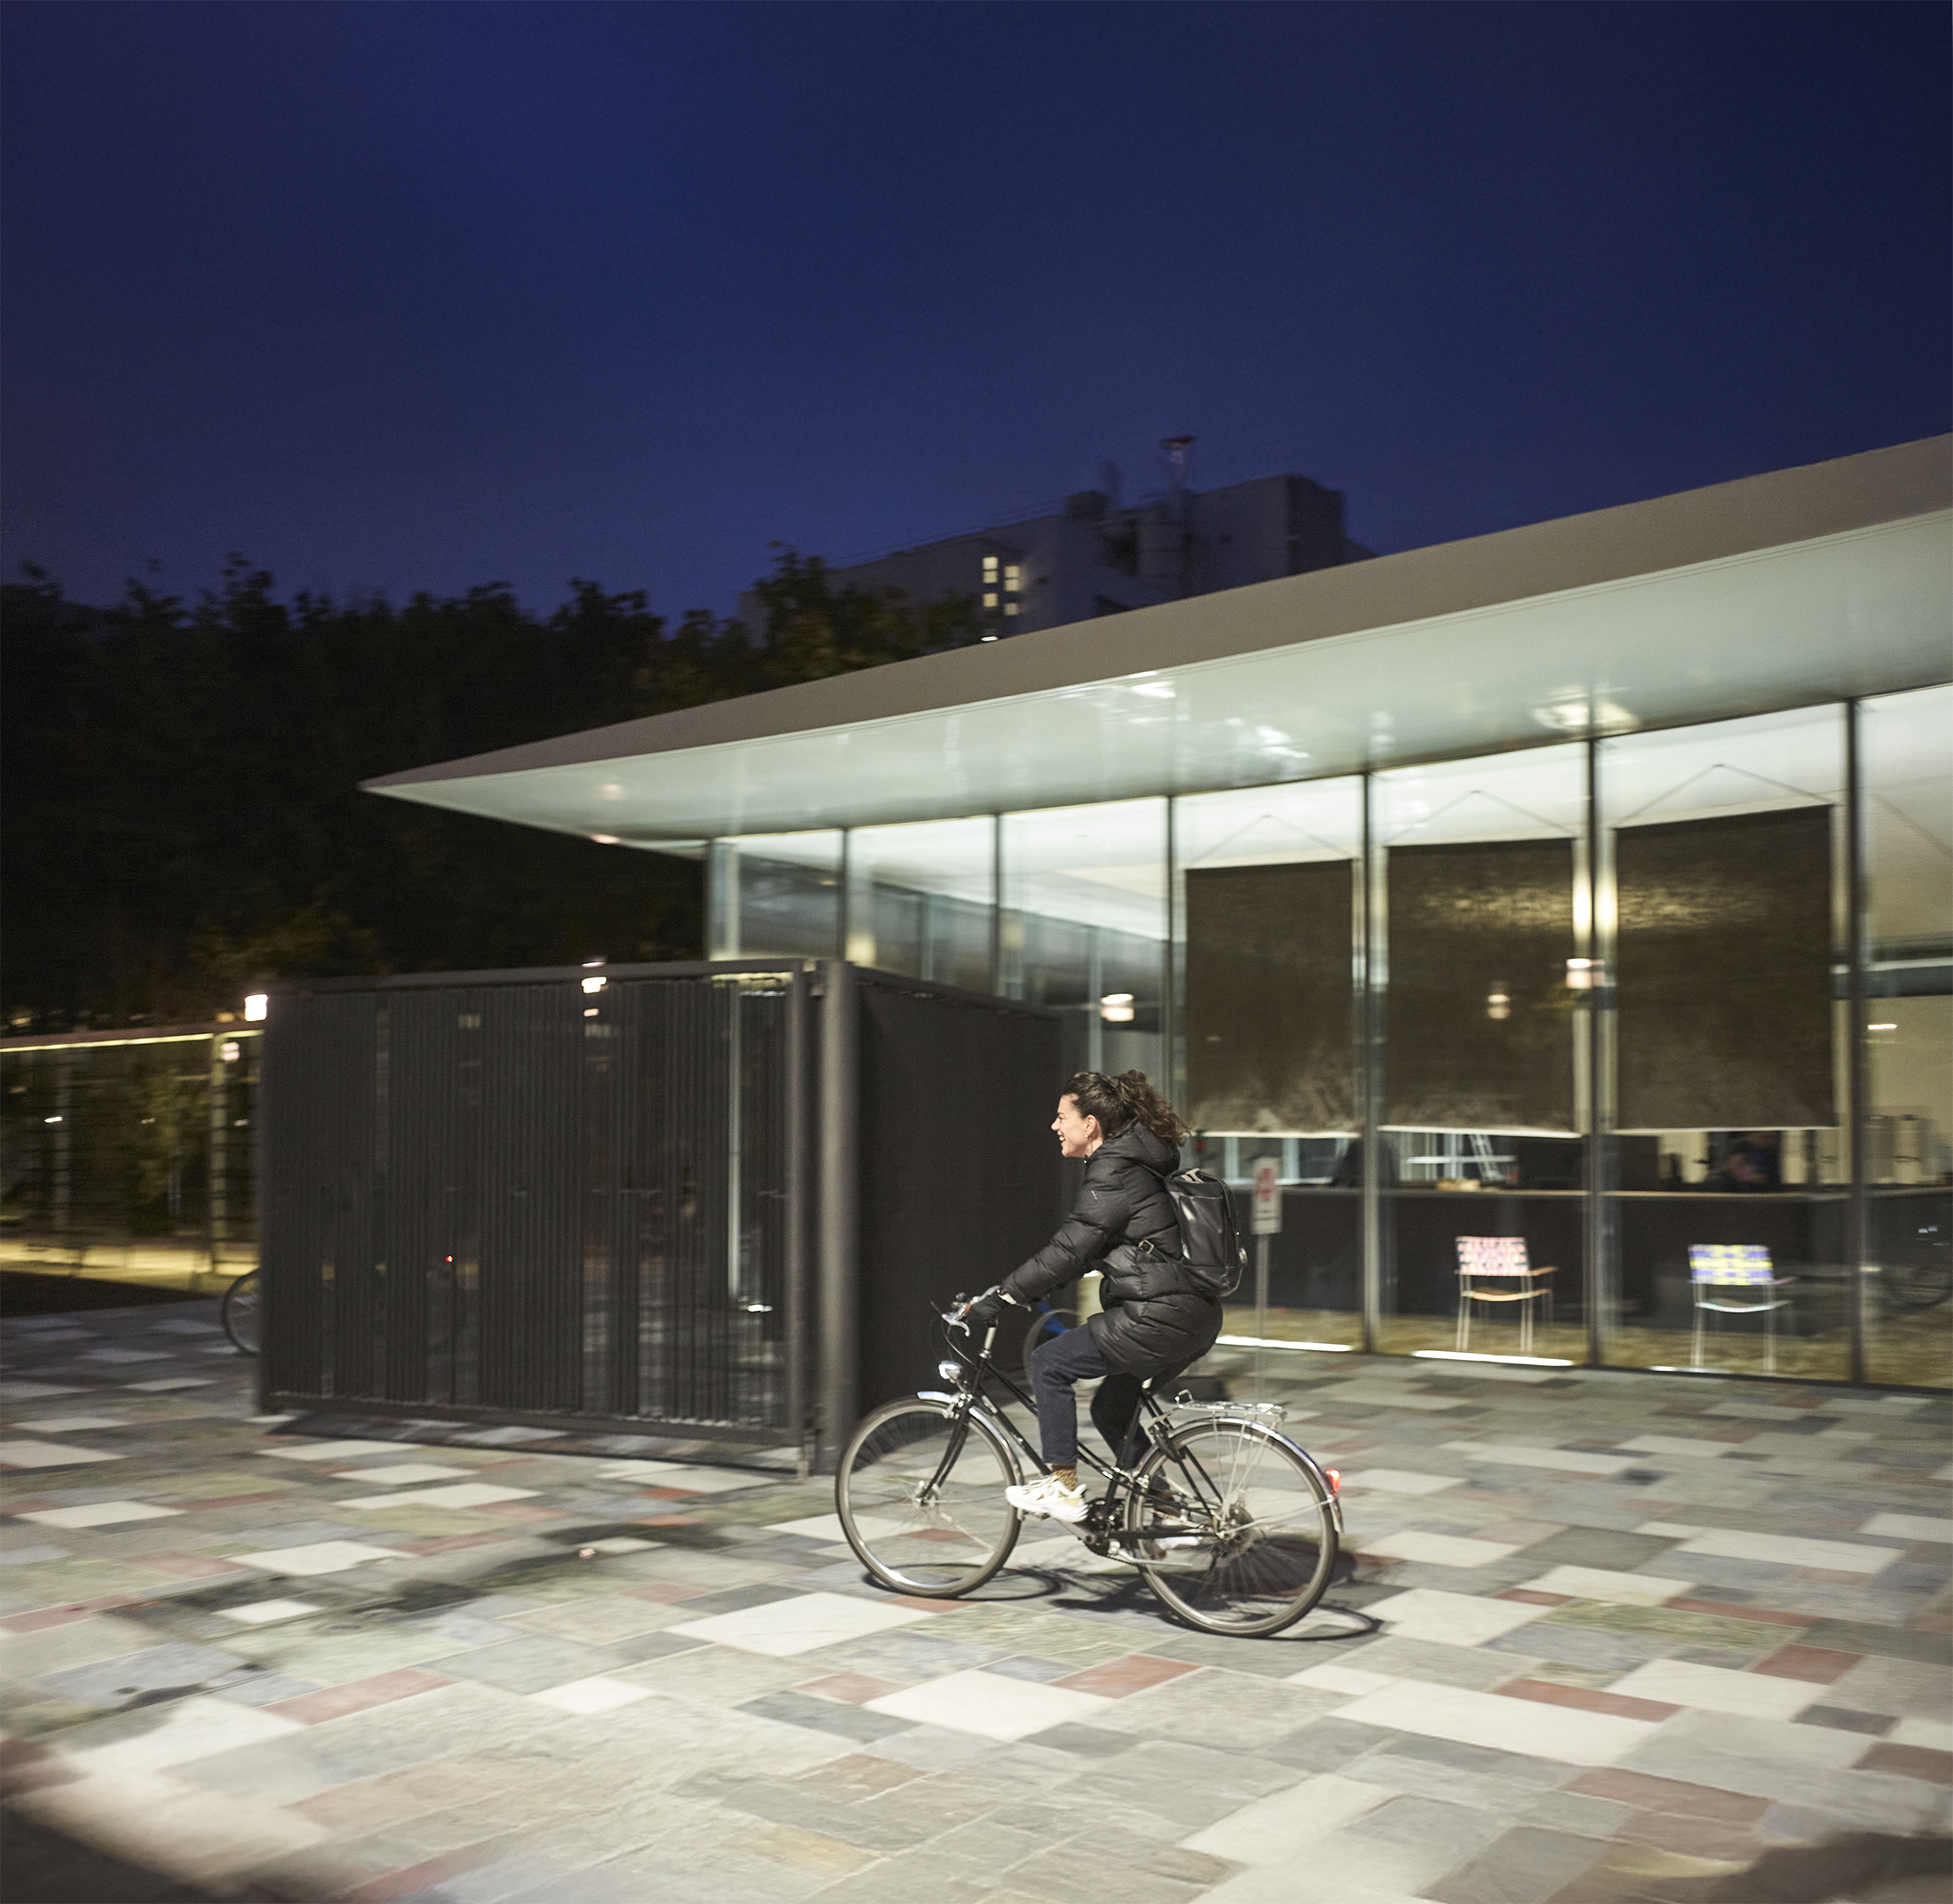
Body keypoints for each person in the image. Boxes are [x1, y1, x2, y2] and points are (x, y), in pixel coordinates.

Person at [963, 1071, 1222, 1523]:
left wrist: (1002, 1298)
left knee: (1049, 1363)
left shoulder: (1115, 1172)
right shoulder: (1134, 1167)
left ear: (1091, 1125)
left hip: (1155, 1317)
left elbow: (1069, 1248)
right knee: (1111, 1406)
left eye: (1062, 1116)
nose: (1054, 1125)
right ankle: (1161, 1506)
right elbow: (1088, 1250)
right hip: (1193, 1316)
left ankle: (1061, 1487)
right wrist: (1023, 1290)